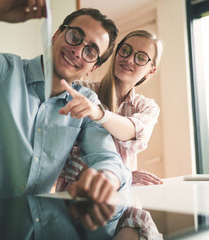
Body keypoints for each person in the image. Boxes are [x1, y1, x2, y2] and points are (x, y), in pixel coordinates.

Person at [0, 0, 131, 205]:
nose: (77, 50)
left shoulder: (87, 104)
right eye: (74, 36)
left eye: (90, 51)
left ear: (92, 67)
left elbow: (109, 159)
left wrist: (106, 179)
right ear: (57, 34)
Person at [56, 29, 164, 239]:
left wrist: (122, 177)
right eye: (125, 50)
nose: (129, 59)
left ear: (151, 71)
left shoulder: (147, 107)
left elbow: (131, 131)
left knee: (139, 224)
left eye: (141, 57)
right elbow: (64, 158)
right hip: (75, 202)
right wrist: (114, 175)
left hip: (122, 203)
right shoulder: (83, 91)